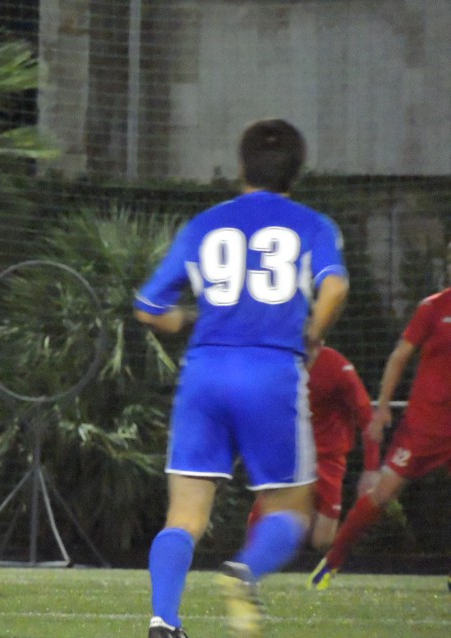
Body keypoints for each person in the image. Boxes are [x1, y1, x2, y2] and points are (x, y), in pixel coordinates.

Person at [134, 119, 349, 638]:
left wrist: (186, 319)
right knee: (292, 511)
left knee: (184, 515)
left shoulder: (204, 225)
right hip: (270, 372)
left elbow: (148, 307)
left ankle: (163, 621)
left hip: (205, 372)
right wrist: (313, 334)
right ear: (297, 171)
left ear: (240, 166)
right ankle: (244, 573)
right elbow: (336, 287)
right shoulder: (313, 224)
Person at [309, 240, 451, 592]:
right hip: (424, 425)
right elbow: (400, 356)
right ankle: (333, 560)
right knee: (382, 494)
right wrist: (384, 405)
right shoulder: (433, 308)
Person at [247, 345, 380, 552]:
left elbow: (366, 416)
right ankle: (249, 560)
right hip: (292, 454)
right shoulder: (278, 363)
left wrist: (371, 468)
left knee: (321, 540)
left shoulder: (337, 367)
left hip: (328, 458)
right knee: (268, 514)